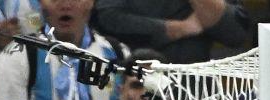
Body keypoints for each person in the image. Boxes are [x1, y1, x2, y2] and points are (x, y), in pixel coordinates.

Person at [0, 0, 122, 100]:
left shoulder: (117, 54)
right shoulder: (17, 56)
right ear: (41, 3)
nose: (65, 5)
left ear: (91, 2)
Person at [94, 0, 249, 64]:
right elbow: (105, 18)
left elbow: (236, 33)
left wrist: (207, 6)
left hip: (193, 93)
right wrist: (175, 29)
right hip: (135, 82)